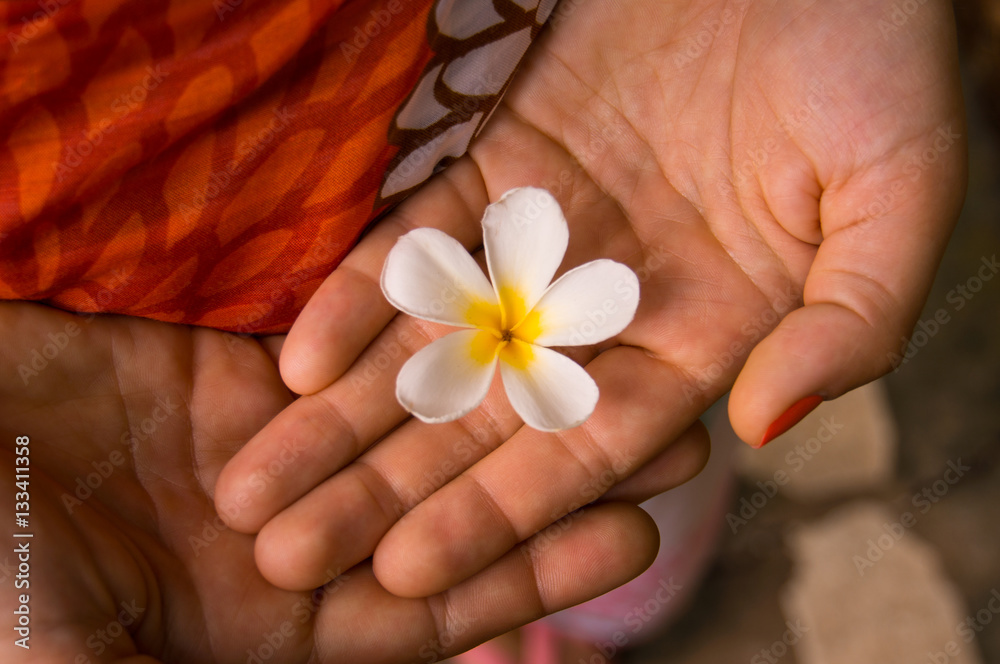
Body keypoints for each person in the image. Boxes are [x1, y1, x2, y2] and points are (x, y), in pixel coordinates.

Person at [1, 0, 966, 661]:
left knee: (634, 433)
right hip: (97, 282)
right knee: (395, 533)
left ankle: (604, 597)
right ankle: (537, 609)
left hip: (570, 89)